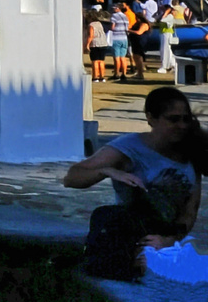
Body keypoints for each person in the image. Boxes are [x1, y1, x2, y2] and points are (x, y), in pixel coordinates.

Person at [64, 86, 206, 278]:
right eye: (173, 119)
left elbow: (189, 212)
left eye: (185, 119)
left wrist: (169, 240)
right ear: (151, 118)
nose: (181, 125)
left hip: (168, 241)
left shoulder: (191, 149)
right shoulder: (130, 147)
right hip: (134, 238)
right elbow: (72, 177)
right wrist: (108, 171)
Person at [109, 2, 134, 82]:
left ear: (117, 8)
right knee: (123, 57)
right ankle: (124, 74)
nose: (113, 9)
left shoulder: (114, 16)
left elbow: (112, 27)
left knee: (116, 57)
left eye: (114, 8)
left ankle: (116, 74)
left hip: (116, 38)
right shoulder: (125, 16)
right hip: (124, 38)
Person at [87, 12, 112, 83]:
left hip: (95, 43)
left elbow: (91, 35)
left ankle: (95, 77)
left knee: (95, 61)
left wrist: (87, 44)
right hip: (103, 43)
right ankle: (102, 77)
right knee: (101, 61)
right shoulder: (100, 23)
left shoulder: (91, 25)